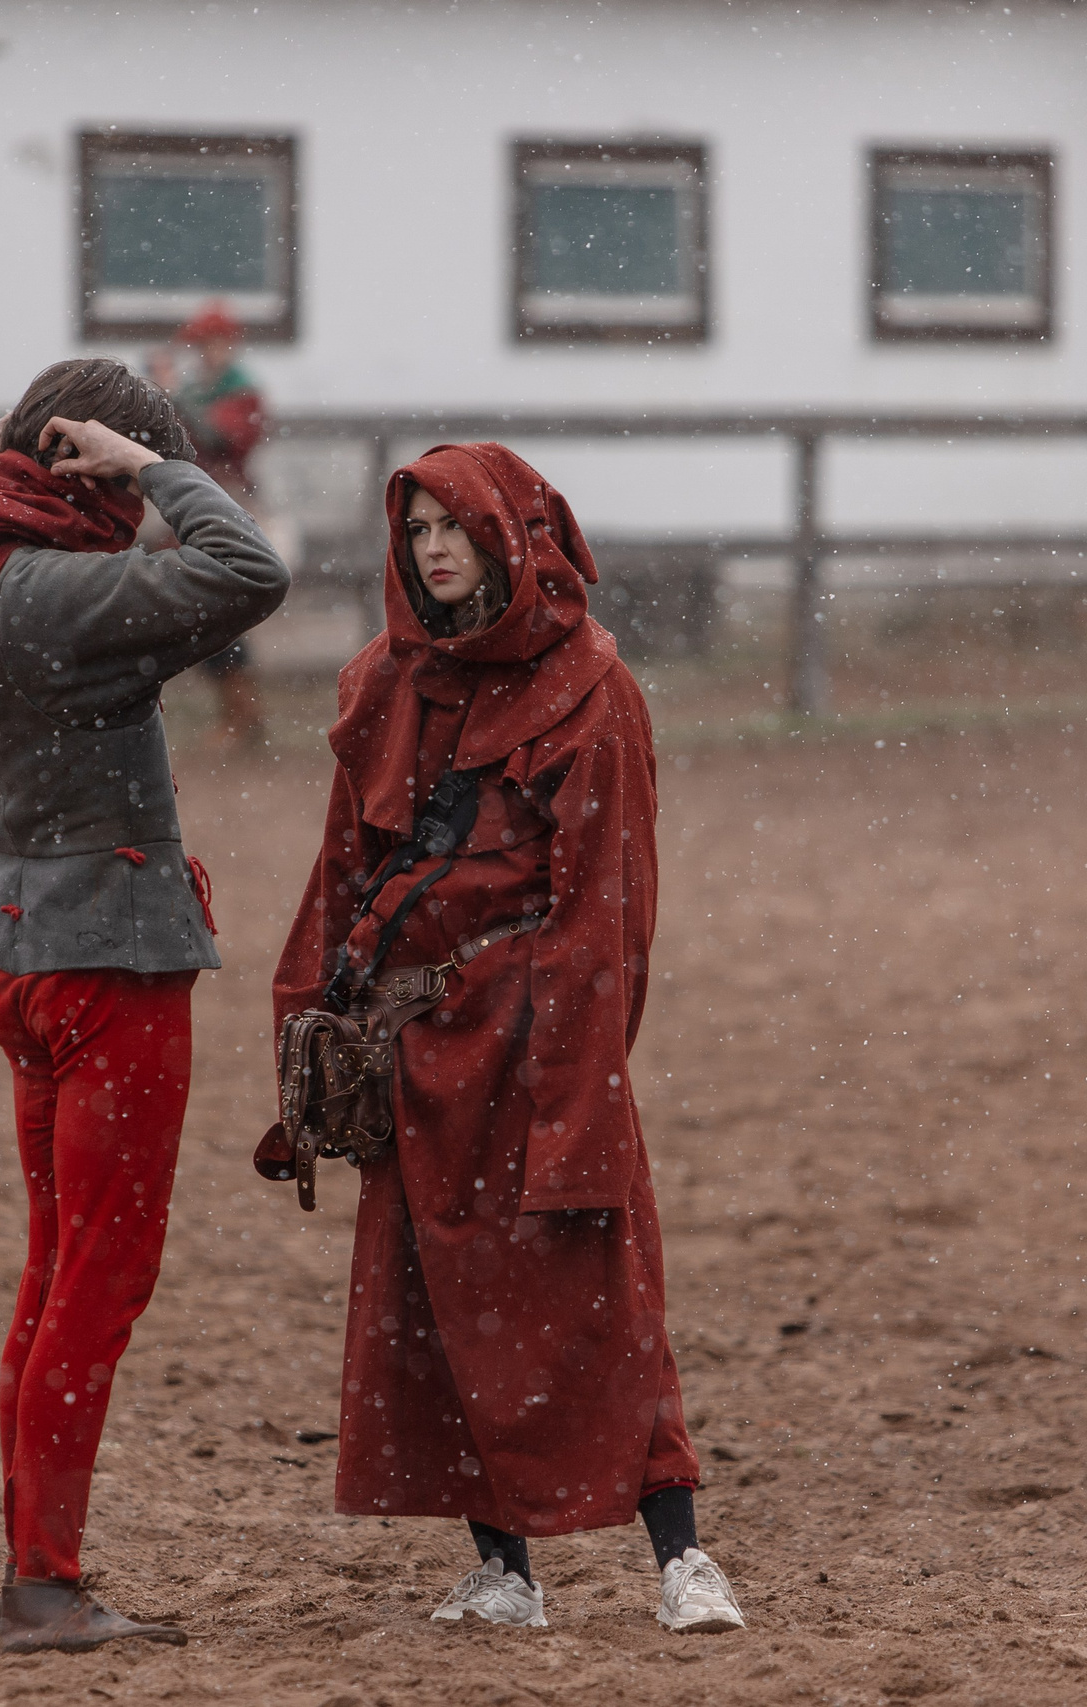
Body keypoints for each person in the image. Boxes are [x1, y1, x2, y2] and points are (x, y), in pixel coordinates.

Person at [266, 443, 746, 1635]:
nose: (433, 550)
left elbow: (606, 916)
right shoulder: (383, 682)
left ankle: (682, 1560)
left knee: (600, 1297)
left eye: (457, 528)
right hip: (414, 1051)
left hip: (538, 1045)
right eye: (417, 528)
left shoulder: (593, 693)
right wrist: (310, 1027)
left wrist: (577, 1097)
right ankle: (505, 1572)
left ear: (512, 535)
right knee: (438, 1312)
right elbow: (343, 873)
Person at [0, 357, 290, 1653]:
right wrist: (162, 471)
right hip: (112, 964)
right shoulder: (67, 592)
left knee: (52, 1273)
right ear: (90, 472)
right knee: (98, 1284)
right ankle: (45, 1584)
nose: (132, 513)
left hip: (21, 945)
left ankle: (36, 1565)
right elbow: (250, 571)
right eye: (121, 484)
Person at [153, 302, 271, 749]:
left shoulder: (241, 392)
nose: (204, 352)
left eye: (210, 343)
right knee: (205, 611)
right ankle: (241, 717)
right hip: (195, 508)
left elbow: (224, 441)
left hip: (226, 506)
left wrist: (175, 396)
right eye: (199, 344)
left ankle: (244, 717)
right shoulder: (205, 389)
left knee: (218, 611)